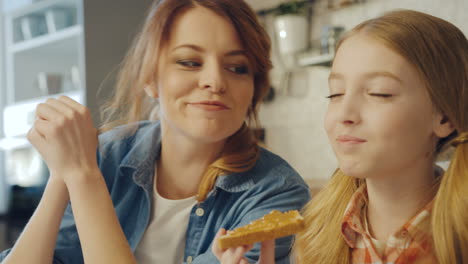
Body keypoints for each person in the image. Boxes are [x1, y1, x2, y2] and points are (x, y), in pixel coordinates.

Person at [0, 0, 311, 263]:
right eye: (190, 62)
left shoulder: (276, 194)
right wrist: (62, 174)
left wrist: (82, 176)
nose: (215, 81)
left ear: (254, 89)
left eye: (238, 67)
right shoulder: (104, 157)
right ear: (150, 78)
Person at [215, 9, 468, 264]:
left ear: (444, 117)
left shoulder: (459, 242)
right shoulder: (314, 237)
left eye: (380, 93)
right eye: (335, 94)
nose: (344, 114)